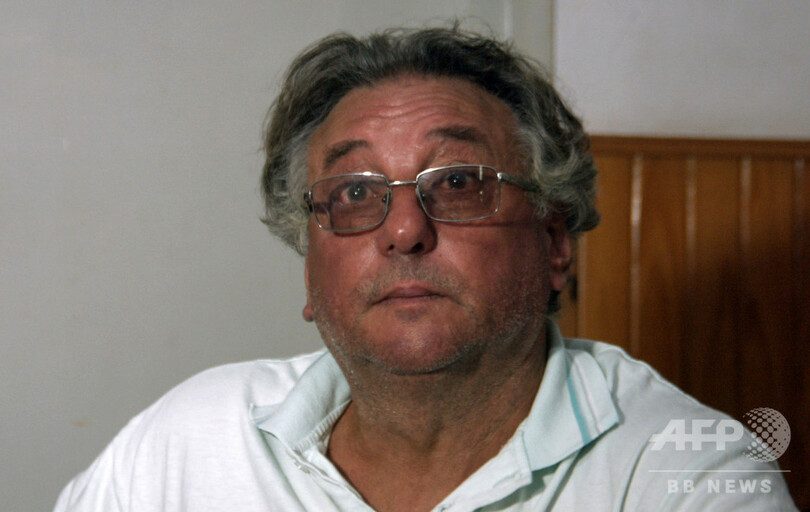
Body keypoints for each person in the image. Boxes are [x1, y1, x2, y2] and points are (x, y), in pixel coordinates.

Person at [54, 25, 797, 511]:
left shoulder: (688, 480)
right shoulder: (184, 446)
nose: (405, 231)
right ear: (310, 267)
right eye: (354, 193)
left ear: (554, 243)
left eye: (459, 182)